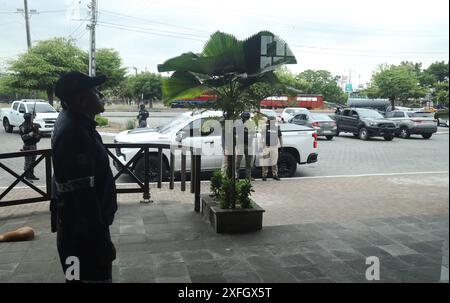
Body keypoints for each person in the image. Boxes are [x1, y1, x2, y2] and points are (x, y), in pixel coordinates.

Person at [51, 71, 118, 283]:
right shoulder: (74, 133)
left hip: (76, 229)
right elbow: (82, 195)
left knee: (76, 279)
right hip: (83, 236)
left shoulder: (77, 123)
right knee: (88, 279)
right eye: (94, 91)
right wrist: (102, 243)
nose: (100, 94)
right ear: (81, 100)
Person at [19, 112, 41, 181]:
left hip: (34, 145)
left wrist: (37, 136)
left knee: (33, 161)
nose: (32, 118)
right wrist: (30, 134)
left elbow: (38, 135)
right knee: (28, 162)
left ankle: (31, 174)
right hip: (27, 146)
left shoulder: (33, 125)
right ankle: (26, 176)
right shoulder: (23, 126)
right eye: (30, 117)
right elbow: (23, 137)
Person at [261, 116, 283, 181]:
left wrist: (282, 146)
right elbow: (262, 137)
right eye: (270, 120)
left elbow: (280, 137)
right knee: (265, 162)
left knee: (274, 162)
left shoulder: (277, 128)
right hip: (267, 147)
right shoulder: (265, 128)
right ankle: (264, 175)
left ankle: (275, 175)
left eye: (273, 120)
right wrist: (263, 145)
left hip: (274, 147)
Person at [235, 112, 255, 180]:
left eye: (247, 118)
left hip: (249, 145)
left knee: (249, 163)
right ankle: (236, 177)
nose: (247, 119)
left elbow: (253, 134)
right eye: (245, 118)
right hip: (240, 145)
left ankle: (248, 177)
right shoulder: (239, 124)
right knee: (237, 163)